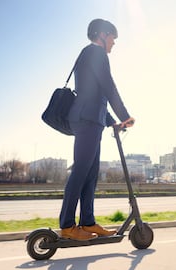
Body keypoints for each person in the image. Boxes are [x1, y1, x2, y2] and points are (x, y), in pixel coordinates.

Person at [59, 19, 135, 241]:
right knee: (81, 171)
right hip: (87, 120)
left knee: (90, 174)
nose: (114, 43)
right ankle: (67, 226)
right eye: (113, 37)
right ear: (102, 35)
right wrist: (125, 115)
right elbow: (108, 85)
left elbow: (96, 94)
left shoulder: (90, 54)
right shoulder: (95, 52)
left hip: (92, 119)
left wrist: (113, 121)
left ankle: (88, 222)